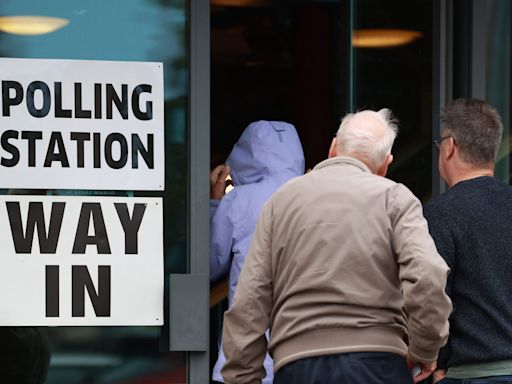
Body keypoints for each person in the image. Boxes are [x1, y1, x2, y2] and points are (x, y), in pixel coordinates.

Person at [221, 109, 453, 384]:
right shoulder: (395, 198)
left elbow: (249, 299)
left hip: (298, 366)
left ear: (333, 148)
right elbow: (427, 275)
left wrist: (243, 376)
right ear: (385, 165)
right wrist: (424, 348)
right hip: (378, 364)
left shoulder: (281, 201)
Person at [423, 98, 512, 383]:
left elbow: (433, 297)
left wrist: (437, 361)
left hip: (470, 373)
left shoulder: (439, 214)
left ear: (449, 147)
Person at [210, 120, 305, 384]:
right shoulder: (316, 194)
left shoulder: (239, 200)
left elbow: (210, 264)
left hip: (247, 354)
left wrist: (214, 204)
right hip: (304, 356)